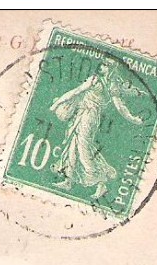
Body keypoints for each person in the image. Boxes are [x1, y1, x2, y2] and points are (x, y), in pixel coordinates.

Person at [48, 61, 144, 200]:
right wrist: (57, 103)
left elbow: (119, 106)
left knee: (83, 146)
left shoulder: (111, 85)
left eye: (105, 65)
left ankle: (100, 182)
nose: (101, 66)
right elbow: (76, 92)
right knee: (73, 145)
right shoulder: (95, 79)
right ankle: (69, 180)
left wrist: (133, 119)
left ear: (110, 69)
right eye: (102, 64)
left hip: (90, 115)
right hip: (81, 113)